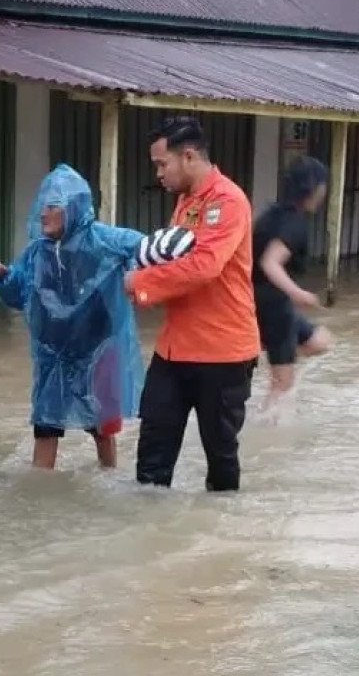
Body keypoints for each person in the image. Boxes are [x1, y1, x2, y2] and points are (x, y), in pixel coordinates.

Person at [0, 164, 146, 470]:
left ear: (74, 208)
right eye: (43, 206)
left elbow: (145, 248)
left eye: (53, 206)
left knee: (102, 429)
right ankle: (40, 502)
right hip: (53, 355)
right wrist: (2, 274)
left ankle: (108, 483)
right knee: (46, 426)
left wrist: (135, 275)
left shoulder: (103, 240)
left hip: (99, 348)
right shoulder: (37, 252)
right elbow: (20, 293)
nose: (43, 213)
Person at [127, 116, 260, 493]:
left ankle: (219, 541)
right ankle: (151, 539)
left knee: (220, 456)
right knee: (153, 449)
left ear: (188, 157)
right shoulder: (185, 203)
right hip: (175, 348)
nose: (158, 174)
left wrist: (139, 284)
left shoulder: (228, 201)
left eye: (161, 164)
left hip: (223, 352)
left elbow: (204, 267)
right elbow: (172, 263)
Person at [253, 156, 334, 419]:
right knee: (283, 384)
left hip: (261, 300)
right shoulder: (294, 223)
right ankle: (267, 434)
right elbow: (270, 262)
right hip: (273, 306)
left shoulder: (272, 215)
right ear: (315, 188)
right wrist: (298, 293)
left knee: (321, 342)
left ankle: (277, 359)